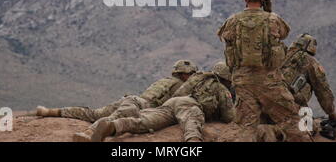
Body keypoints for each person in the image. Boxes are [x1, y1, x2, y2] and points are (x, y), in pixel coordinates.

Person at [217, 0, 311, 142]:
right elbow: (283, 33)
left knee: (247, 125)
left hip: (243, 81)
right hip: (269, 81)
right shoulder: (273, 19)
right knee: (291, 121)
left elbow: (225, 37)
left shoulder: (233, 20)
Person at [73, 62, 235, 142]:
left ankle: (115, 126)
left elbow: (178, 94)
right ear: (227, 78)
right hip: (190, 107)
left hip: (173, 103)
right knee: (192, 128)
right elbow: (229, 116)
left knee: (144, 121)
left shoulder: (197, 80)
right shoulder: (222, 89)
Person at [35, 59, 197, 122]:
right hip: (144, 106)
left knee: (94, 113)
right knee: (114, 121)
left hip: (132, 99)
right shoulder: (180, 86)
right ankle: (94, 132)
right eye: (191, 74)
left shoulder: (165, 80)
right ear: (184, 74)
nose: (192, 77)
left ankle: (51, 111)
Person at [281, 33, 336, 121]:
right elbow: (322, 90)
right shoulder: (310, 61)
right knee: (309, 128)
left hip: (271, 100)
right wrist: (331, 113)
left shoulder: (282, 56)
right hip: (292, 103)